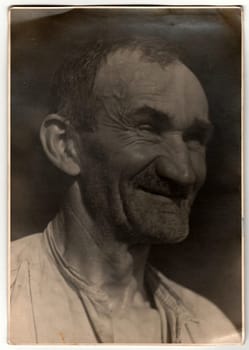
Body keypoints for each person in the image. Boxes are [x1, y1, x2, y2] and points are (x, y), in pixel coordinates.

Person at [10, 35, 240, 344]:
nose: (183, 172)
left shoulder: (210, 329)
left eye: (194, 138)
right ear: (65, 147)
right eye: (147, 129)